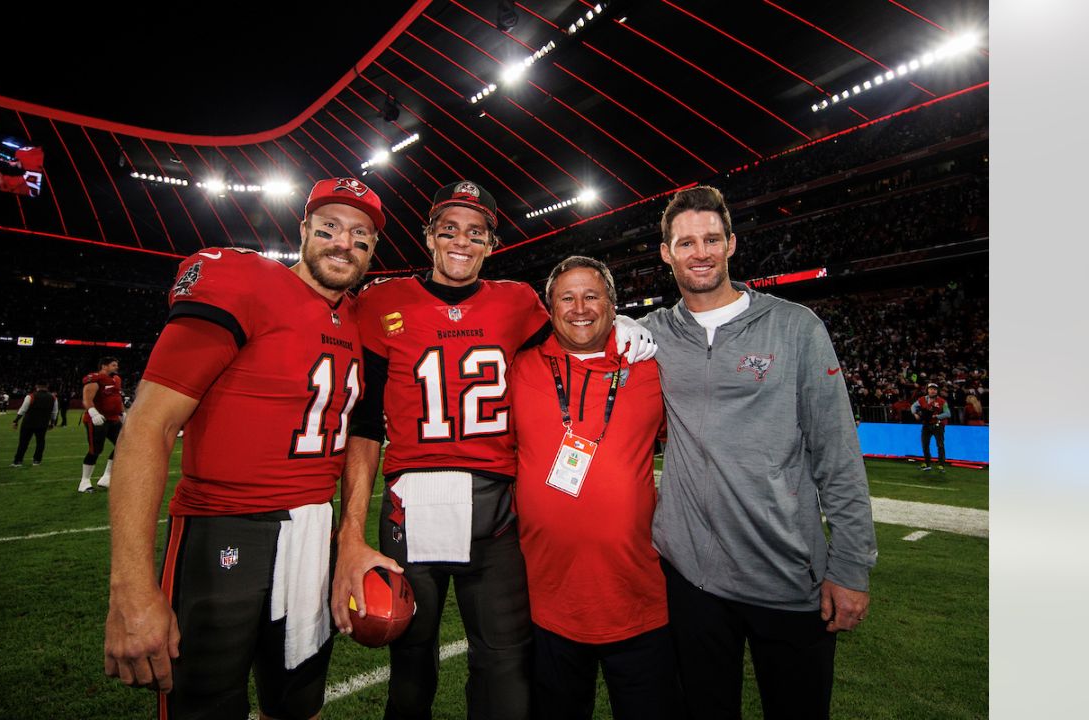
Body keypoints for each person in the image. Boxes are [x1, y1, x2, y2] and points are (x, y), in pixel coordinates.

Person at [330, 180, 656, 720]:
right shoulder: (381, 302)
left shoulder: (518, 303)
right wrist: (350, 532)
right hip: (411, 504)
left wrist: (620, 322)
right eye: (450, 229)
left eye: (475, 232)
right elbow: (364, 424)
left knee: (506, 666)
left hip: (496, 506)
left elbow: (573, 334)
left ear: (490, 243)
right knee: (410, 666)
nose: (462, 241)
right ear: (429, 236)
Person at [103, 176, 383, 720]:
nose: (342, 243)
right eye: (328, 227)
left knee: (299, 703)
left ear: (372, 250)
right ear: (303, 230)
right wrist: (130, 587)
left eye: (360, 235)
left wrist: (348, 534)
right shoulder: (244, 279)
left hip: (311, 532)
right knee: (204, 704)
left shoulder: (359, 318)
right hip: (225, 528)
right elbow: (149, 426)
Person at [638, 185, 877, 720]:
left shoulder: (795, 327)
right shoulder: (649, 336)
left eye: (711, 239)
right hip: (691, 578)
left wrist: (852, 567)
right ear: (665, 253)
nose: (699, 252)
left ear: (731, 245)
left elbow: (837, 453)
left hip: (786, 574)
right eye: (685, 242)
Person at [510, 256, 678, 720]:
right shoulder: (518, 367)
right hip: (549, 601)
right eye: (567, 297)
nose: (579, 307)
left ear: (612, 304)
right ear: (549, 308)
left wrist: (635, 325)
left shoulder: (651, 365)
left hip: (640, 597)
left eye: (592, 296)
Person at [77, 357, 124, 493]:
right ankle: (84, 481)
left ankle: (106, 477)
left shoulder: (116, 379)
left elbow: (117, 398)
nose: (116, 367)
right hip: (98, 419)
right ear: (104, 366)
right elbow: (87, 398)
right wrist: (93, 412)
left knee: (124, 445)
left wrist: (123, 414)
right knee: (95, 449)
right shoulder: (95, 379)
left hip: (113, 419)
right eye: (113, 365)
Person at [12, 381, 58, 466]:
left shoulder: (31, 396)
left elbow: (23, 409)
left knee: (23, 442)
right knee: (40, 442)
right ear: (47, 386)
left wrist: (16, 420)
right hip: (43, 423)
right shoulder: (53, 398)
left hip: (28, 423)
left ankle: (18, 461)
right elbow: (54, 412)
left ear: (36, 386)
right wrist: (52, 423)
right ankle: (37, 461)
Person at [912, 382, 950, 472]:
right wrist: (915, 414)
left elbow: (948, 413)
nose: (932, 391)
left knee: (940, 445)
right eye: (931, 389)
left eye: (934, 389)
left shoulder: (942, 401)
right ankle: (927, 463)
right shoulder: (922, 399)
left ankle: (941, 464)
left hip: (938, 424)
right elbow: (913, 406)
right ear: (927, 390)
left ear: (937, 391)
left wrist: (936, 416)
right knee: (925, 444)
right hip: (926, 425)